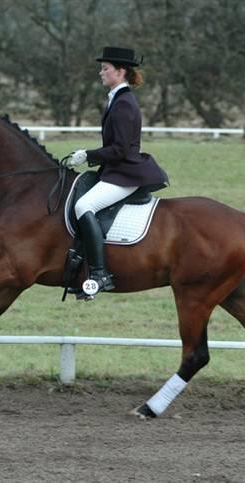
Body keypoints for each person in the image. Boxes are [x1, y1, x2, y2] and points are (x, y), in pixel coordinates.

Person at [66, 46, 169, 298]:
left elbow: (120, 150)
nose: (101, 73)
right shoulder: (117, 99)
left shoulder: (124, 103)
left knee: (83, 206)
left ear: (120, 72)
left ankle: (99, 273)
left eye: (105, 69)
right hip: (116, 170)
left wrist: (87, 155)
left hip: (125, 173)